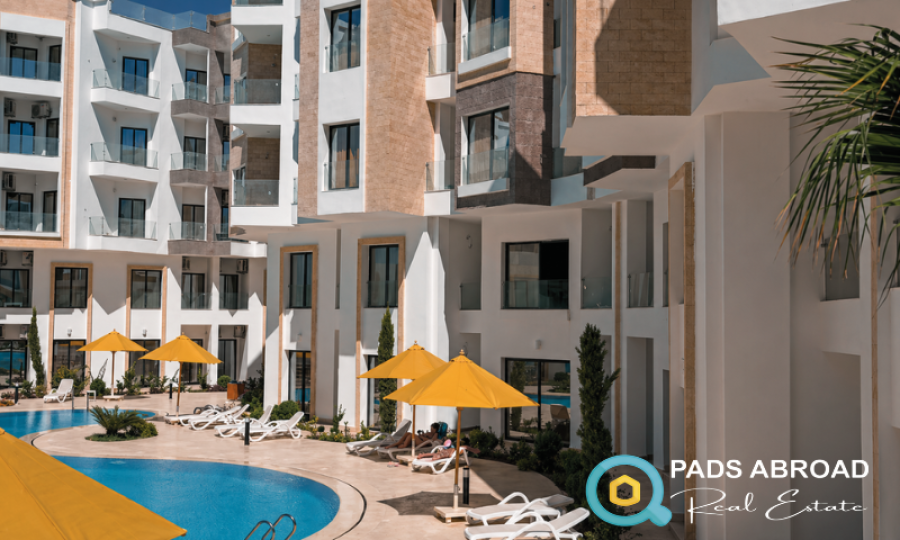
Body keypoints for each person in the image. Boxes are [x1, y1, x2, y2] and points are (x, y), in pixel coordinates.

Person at [416, 437, 481, 461]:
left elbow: (467, 447)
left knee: (436, 454)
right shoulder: (458, 448)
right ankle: (423, 455)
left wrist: (475, 450)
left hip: (448, 452)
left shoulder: (460, 448)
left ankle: (423, 455)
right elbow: (467, 447)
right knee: (436, 454)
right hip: (448, 452)